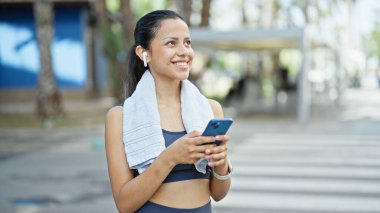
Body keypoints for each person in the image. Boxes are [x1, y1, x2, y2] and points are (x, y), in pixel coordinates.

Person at [105, 10, 232, 213]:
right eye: (171, 43)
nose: (184, 51)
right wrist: (171, 157)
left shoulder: (210, 109)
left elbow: (218, 194)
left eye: (187, 43)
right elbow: (124, 204)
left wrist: (221, 161)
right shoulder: (120, 117)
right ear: (143, 53)